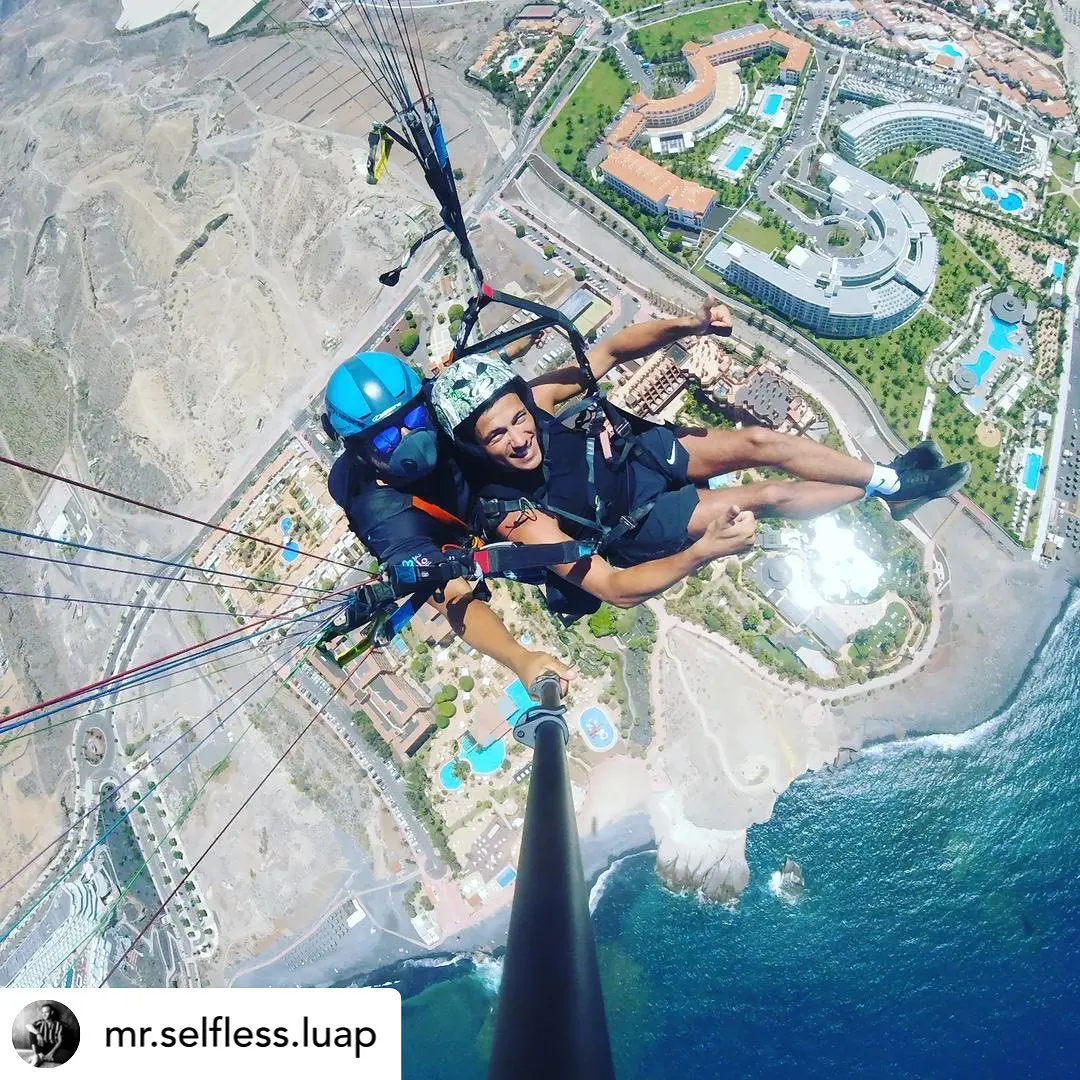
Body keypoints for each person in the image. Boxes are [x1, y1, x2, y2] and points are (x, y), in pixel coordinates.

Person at [430, 300, 968, 605]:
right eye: (497, 437)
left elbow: (614, 350)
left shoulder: (537, 398)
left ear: (524, 403)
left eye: (518, 420)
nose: (519, 437)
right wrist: (701, 552)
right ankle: (893, 488)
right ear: (476, 449)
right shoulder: (517, 518)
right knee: (766, 494)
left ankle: (891, 483)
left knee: (761, 442)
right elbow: (614, 588)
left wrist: (692, 324)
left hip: (635, 454)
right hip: (635, 521)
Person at [323, 351, 572, 689]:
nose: (409, 436)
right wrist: (520, 658)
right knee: (435, 580)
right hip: (433, 533)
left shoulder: (432, 402)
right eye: (386, 438)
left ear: (422, 401)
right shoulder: (382, 514)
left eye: (413, 419)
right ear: (360, 453)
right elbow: (455, 600)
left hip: (468, 496)